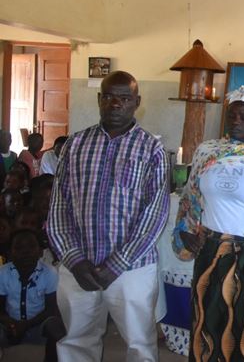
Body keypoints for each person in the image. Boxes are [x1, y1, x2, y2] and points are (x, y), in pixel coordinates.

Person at [46, 70, 170, 362]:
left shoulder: (151, 149)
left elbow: (154, 214)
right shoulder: (75, 145)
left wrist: (116, 264)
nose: (116, 104)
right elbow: (58, 207)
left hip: (131, 270)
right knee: (76, 341)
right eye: (109, 97)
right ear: (99, 99)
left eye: (124, 98)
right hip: (80, 267)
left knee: (140, 344)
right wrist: (74, 260)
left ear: (136, 102)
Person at [173, 85, 244, 362]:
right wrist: (186, 233)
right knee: (207, 321)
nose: (236, 122)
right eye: (232, 115)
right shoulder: (206, 152)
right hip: (209, 251)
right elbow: (190, 199)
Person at [0, 228, 65, 362]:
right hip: (10, 326)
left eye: (31, 246)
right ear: (10, 252)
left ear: (40, 251)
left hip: (38, 326)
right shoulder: (3, 273)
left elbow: (51, 309)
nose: (26, 252)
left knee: (56, 326)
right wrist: (12, 324)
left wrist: (26, 325)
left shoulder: (49, 273)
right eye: (18, 247)